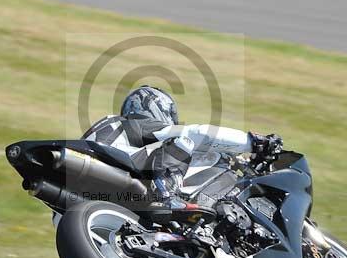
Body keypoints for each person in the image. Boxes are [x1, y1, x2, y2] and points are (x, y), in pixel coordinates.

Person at [82, 85, 283, 212]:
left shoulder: (115, 128)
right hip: (120, 171)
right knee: (184, 141)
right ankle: (167, 194)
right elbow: (199, 133)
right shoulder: (136, 123)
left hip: (89, 193)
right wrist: (254, 143)